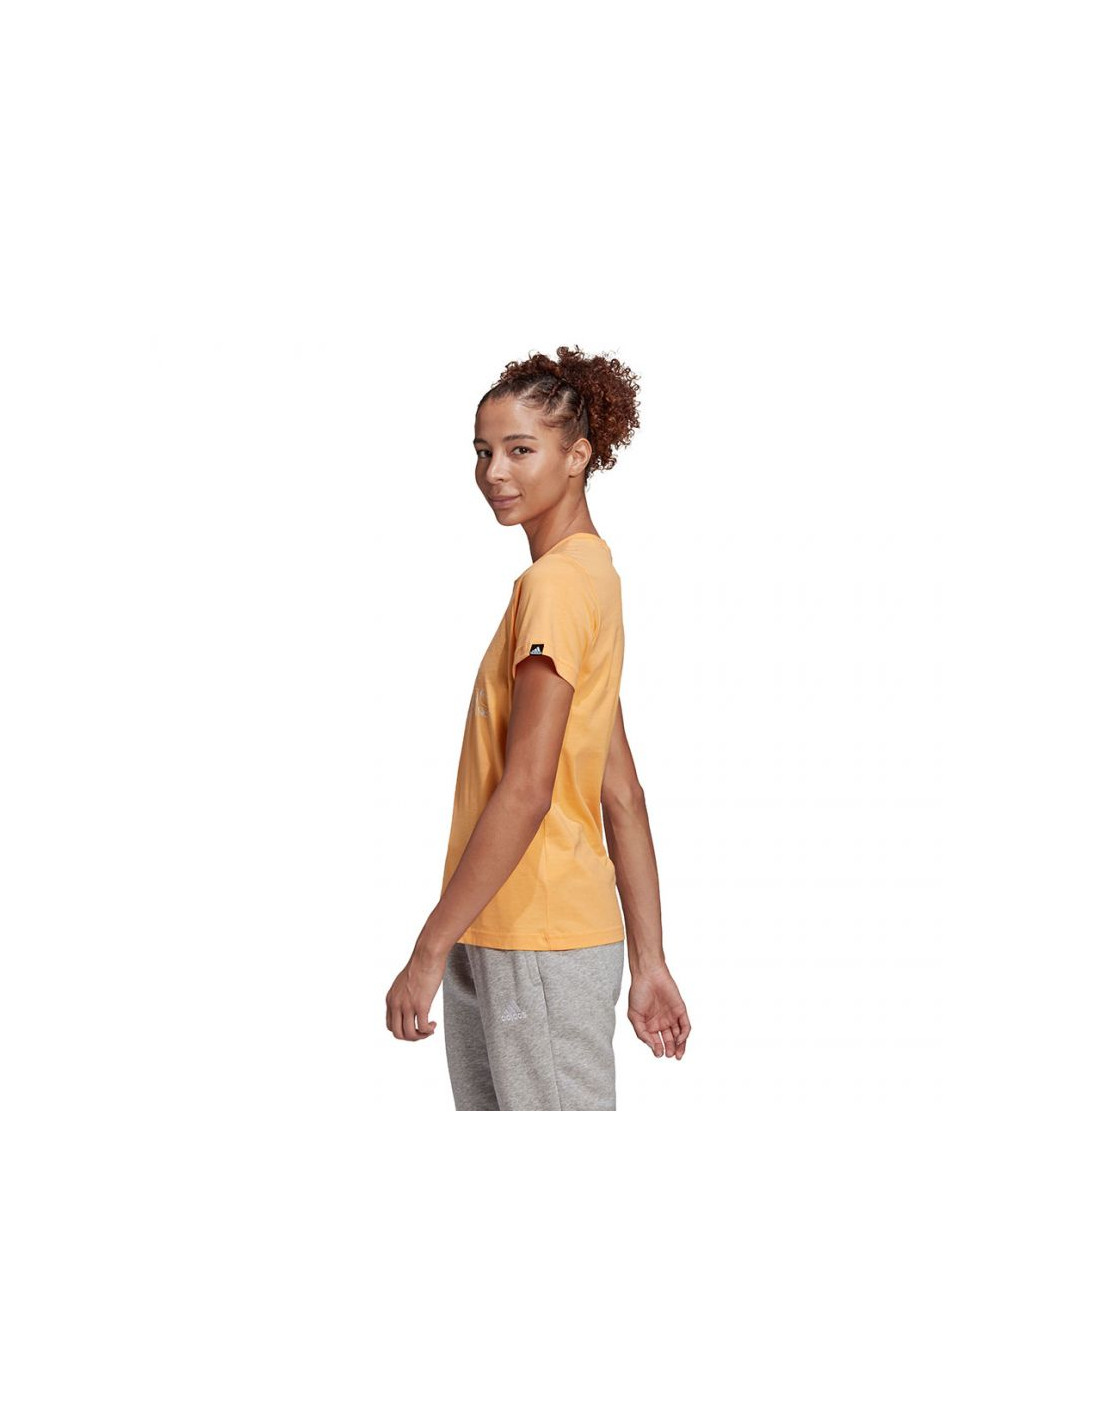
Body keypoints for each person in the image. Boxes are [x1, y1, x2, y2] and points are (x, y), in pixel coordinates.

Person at [384, 344, 691, 1110]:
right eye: (483, 451)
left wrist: (426, 951)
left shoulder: (555, 587)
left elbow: (528, 789)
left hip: (538, 939)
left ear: (577, 456)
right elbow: (620, 790)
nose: (495, 472)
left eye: (521, 450)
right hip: (504, 932)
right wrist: (649, 961)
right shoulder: (589, 576)